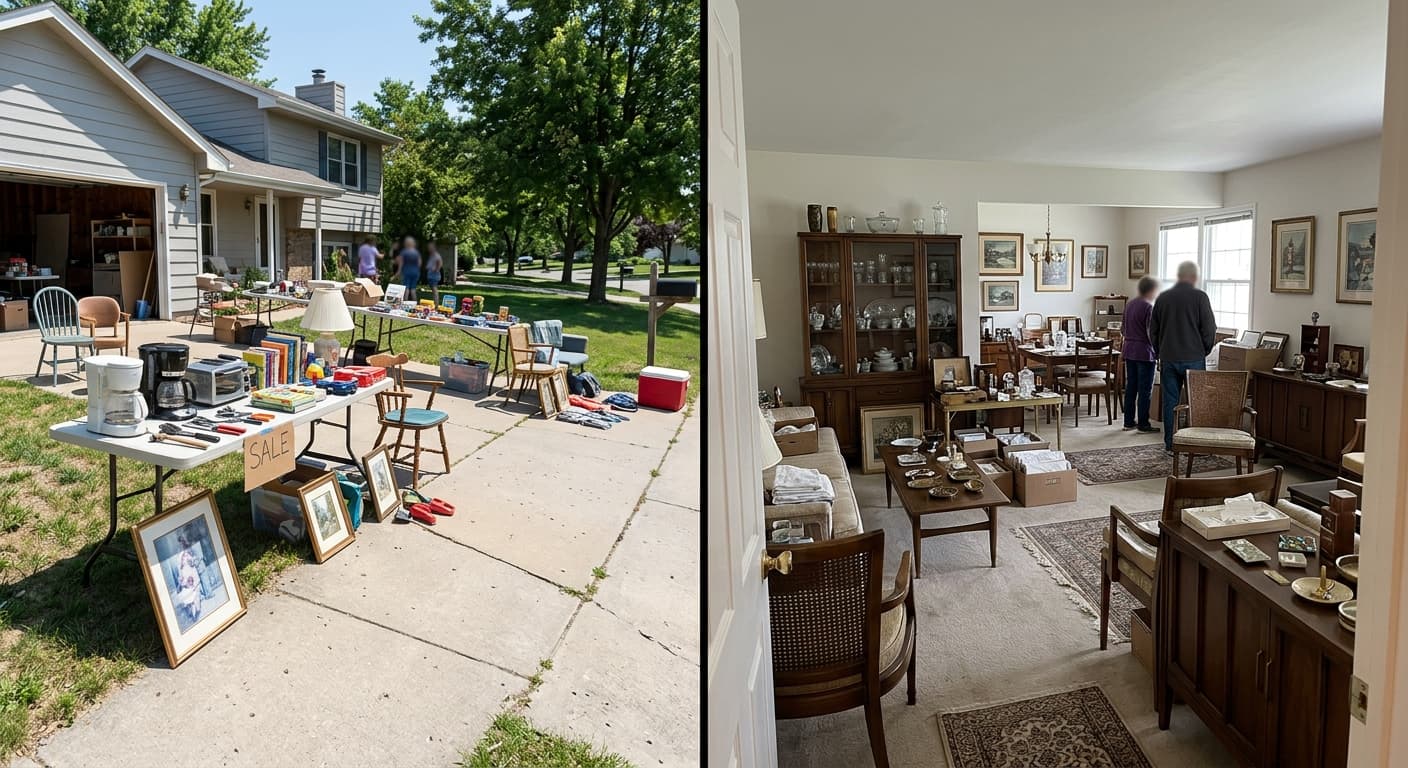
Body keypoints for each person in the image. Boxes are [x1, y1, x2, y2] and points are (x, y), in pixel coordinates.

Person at [1150, 261, 1218, 452]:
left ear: (1178, 276)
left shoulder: (1163, 298)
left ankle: (1171, 443)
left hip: (1169, 357)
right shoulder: (1200, 297)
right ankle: (1193, 443)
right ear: (1194, 277)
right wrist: (1204, 350)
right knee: (1196, 402)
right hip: (1194, 357)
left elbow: (1153, 330)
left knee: (1170, 402)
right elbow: (1210, 329)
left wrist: (1159, 352)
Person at [1121, 276, 1160, 433]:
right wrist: (1158, 351)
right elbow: (1151, 333)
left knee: (1131, 387)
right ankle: (1143, 423)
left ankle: (1128, 421)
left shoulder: (1129, 304)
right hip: (1144, 352)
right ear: (1151, 290)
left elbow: (1123, 329)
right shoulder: (1149, 307)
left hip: (1129, 350)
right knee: (1145, 390)